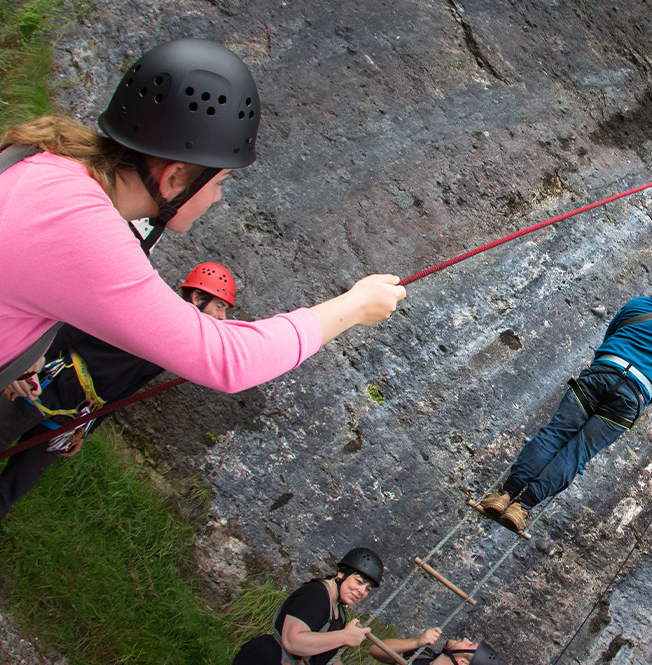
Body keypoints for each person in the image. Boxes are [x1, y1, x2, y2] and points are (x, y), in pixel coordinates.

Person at [0, 38, 406, 393]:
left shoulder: (45, 165)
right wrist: (354, 306)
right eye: (219, 182)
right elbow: (226, 359)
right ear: (176, 177)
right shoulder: (80, 231)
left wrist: (26, 341)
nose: (216, 199)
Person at [0, 263, 237, 520]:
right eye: (220, 306)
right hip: (47, 383)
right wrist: (25, 364)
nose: (223, 317)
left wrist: (85, 428)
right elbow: (75, 325)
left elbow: (123, 393)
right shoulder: (143, 305)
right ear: (197, 297)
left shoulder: (175, 348)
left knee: (15, 486)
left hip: (73, 414)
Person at [480, 268, 652, 532]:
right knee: (578, 452)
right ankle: (522, 507)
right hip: (630, 400)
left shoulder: (639, 305)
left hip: (600, 376)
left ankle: (505, 494)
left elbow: (612, 334)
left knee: (554, 435)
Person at [233, 547, 418, 665]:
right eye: (359, 582)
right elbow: (293, 641)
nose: (362, 591)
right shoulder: (316, 595)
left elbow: (328, 655)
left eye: (368, 589)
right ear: (341, 575)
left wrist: (342, 638)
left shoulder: (339, 613)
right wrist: (344, 636)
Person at [369, 637, 501, 665]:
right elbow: (375, 650)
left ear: (463, 663)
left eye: (470, 644)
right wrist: (417, 642)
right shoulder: (424, 654)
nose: (465, 639)